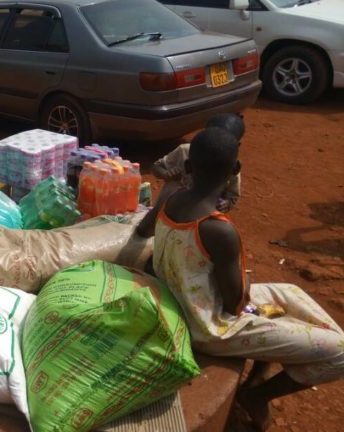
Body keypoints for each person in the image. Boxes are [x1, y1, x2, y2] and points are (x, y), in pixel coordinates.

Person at [136, 127, 344, 431]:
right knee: (340, 353)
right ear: (235, 169)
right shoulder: (219, 230)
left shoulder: (171, 200)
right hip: (209, 328)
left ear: (188, 166)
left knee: (287, 292)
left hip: (185, 300)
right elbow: (234, 304)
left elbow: (149, 240)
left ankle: (263, 369)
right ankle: (256, 396)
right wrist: (245, 286)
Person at [151, 113, 244, 212]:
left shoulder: (229, 166)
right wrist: (166, 174)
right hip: (166, 210)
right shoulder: (185, 151)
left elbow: (232, 196)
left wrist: (226, 204)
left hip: (201, 215)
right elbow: (156, 167)